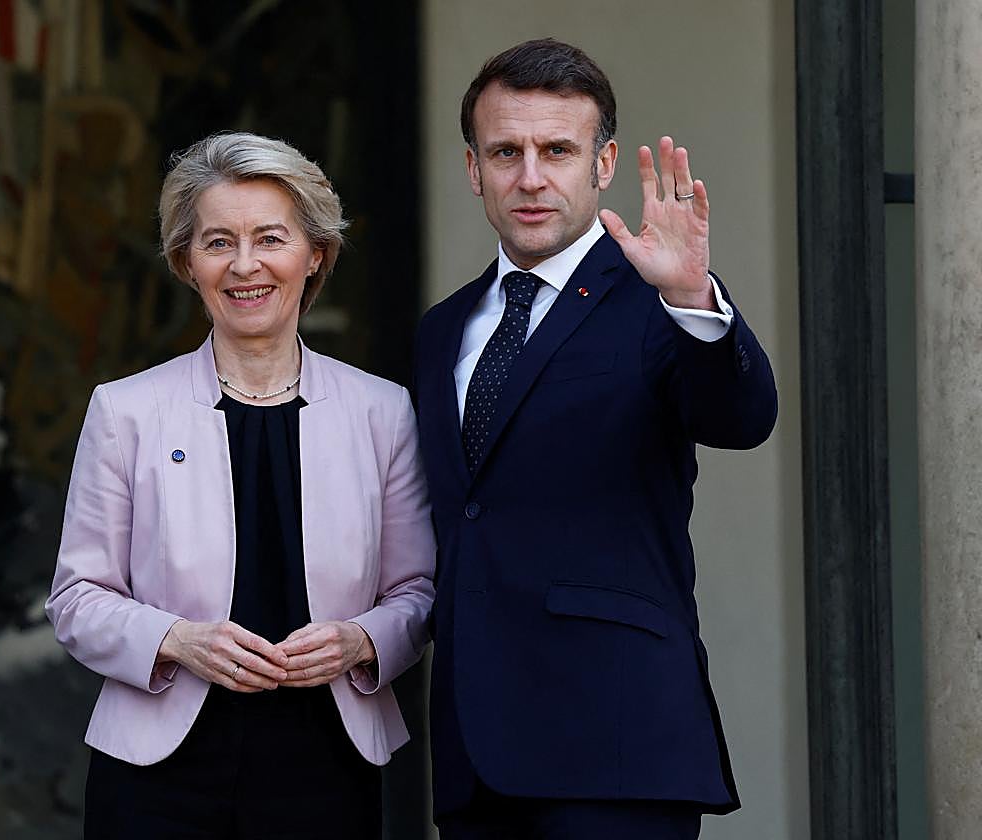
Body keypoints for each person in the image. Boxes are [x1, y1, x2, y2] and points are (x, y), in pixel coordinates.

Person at [413, 39, 778, 838]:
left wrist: (690, 297)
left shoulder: (657, 301)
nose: (531, 177)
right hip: (477, 757)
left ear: (603, 162)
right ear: (474, 169)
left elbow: (740, 419)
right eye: (505, 152)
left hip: (617, 744)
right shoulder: (442, 333)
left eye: (557, 150)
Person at [46, 131, 435, 839]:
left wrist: (359, 639)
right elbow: (76, 600)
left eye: (270, 238)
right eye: (218, 242)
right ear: (186, 263)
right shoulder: (124, 410)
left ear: (314, 253)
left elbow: (419, 593)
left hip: (329, 766)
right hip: (157, 772)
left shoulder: (383, 411)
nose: (245, 265)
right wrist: (176, 639)